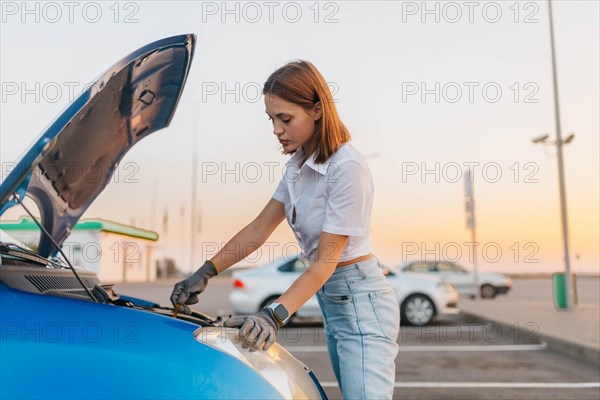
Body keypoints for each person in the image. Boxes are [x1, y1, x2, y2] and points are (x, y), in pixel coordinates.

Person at [170, 60, 399, 399]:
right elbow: (259, 228)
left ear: (318, 110)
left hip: (361, 303)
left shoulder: (346, 167)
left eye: (286, 118)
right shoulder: (297, 166)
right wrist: (205, 272)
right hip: (335, 299)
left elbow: (324, 262)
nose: (277, 129)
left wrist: (272, 315)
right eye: (272, 119)